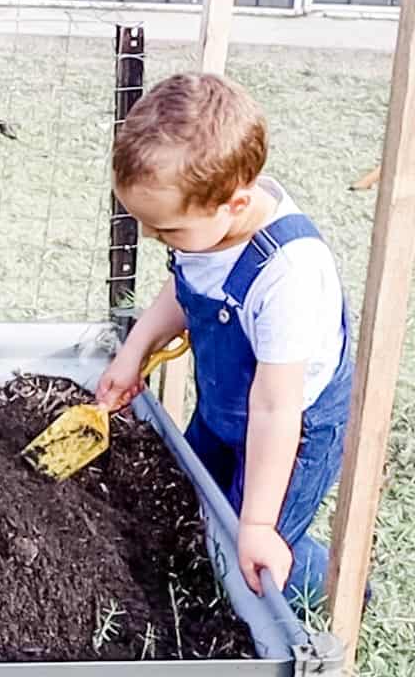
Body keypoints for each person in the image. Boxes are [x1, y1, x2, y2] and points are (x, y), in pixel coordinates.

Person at [98, 72, 352, 607]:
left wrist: (257, 522)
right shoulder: (207, 224)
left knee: (244, 546)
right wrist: (133, 351)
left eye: (167, 232)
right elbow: (188, 286)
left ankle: (333, 582)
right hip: (229, 406)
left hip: (293, 428)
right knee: (194, 509)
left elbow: (276, 405)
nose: (154, 239)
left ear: (235, 204)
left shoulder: (289, 274)